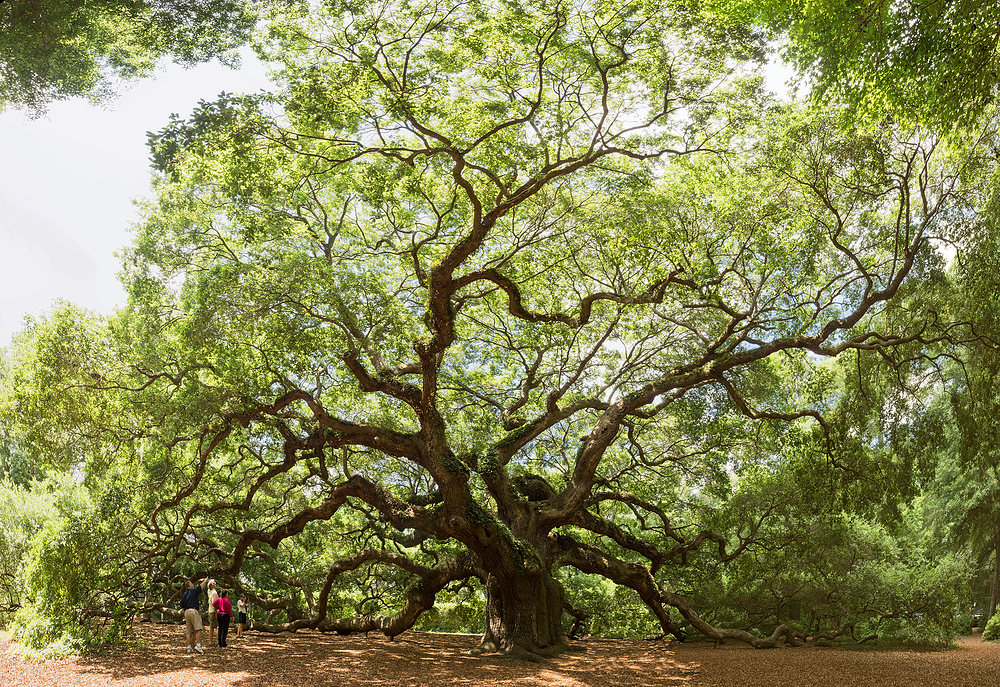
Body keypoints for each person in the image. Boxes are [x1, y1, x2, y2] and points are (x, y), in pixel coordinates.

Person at [180, 574, 210, 654]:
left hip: (187, 612)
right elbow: (201, 587)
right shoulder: (192, 591)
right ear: (189, 586)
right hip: (192, 611)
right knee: (198, 629)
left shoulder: (184, 595)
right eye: (192, 583)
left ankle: (189, 647)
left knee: (189, 631)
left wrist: (196, 610)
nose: (193, 584)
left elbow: (182, 606)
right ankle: (198, 645)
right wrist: (205, 580)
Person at [206, 579, 218, 648]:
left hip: (210, 610)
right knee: (212, 626)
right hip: (213, 611)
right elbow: (214, 604)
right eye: (214, 583)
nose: (215, 584)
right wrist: (217, 612)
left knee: (212, 626)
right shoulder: (214, 592)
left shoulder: (209, 591)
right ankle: (211, 641)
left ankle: (211, 641)